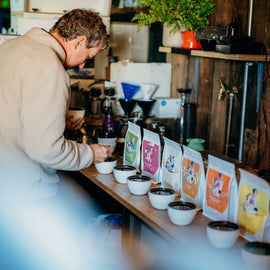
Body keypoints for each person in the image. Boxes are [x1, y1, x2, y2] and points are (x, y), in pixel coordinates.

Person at [0, 9, 124, 270]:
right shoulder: (51, 67)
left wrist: (56, 119)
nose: (82, 65)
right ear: (78, 41)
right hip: (23, 193)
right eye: (87, 57)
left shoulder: (11, 48)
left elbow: (12, 111)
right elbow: (45, 149)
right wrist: (92, 153)